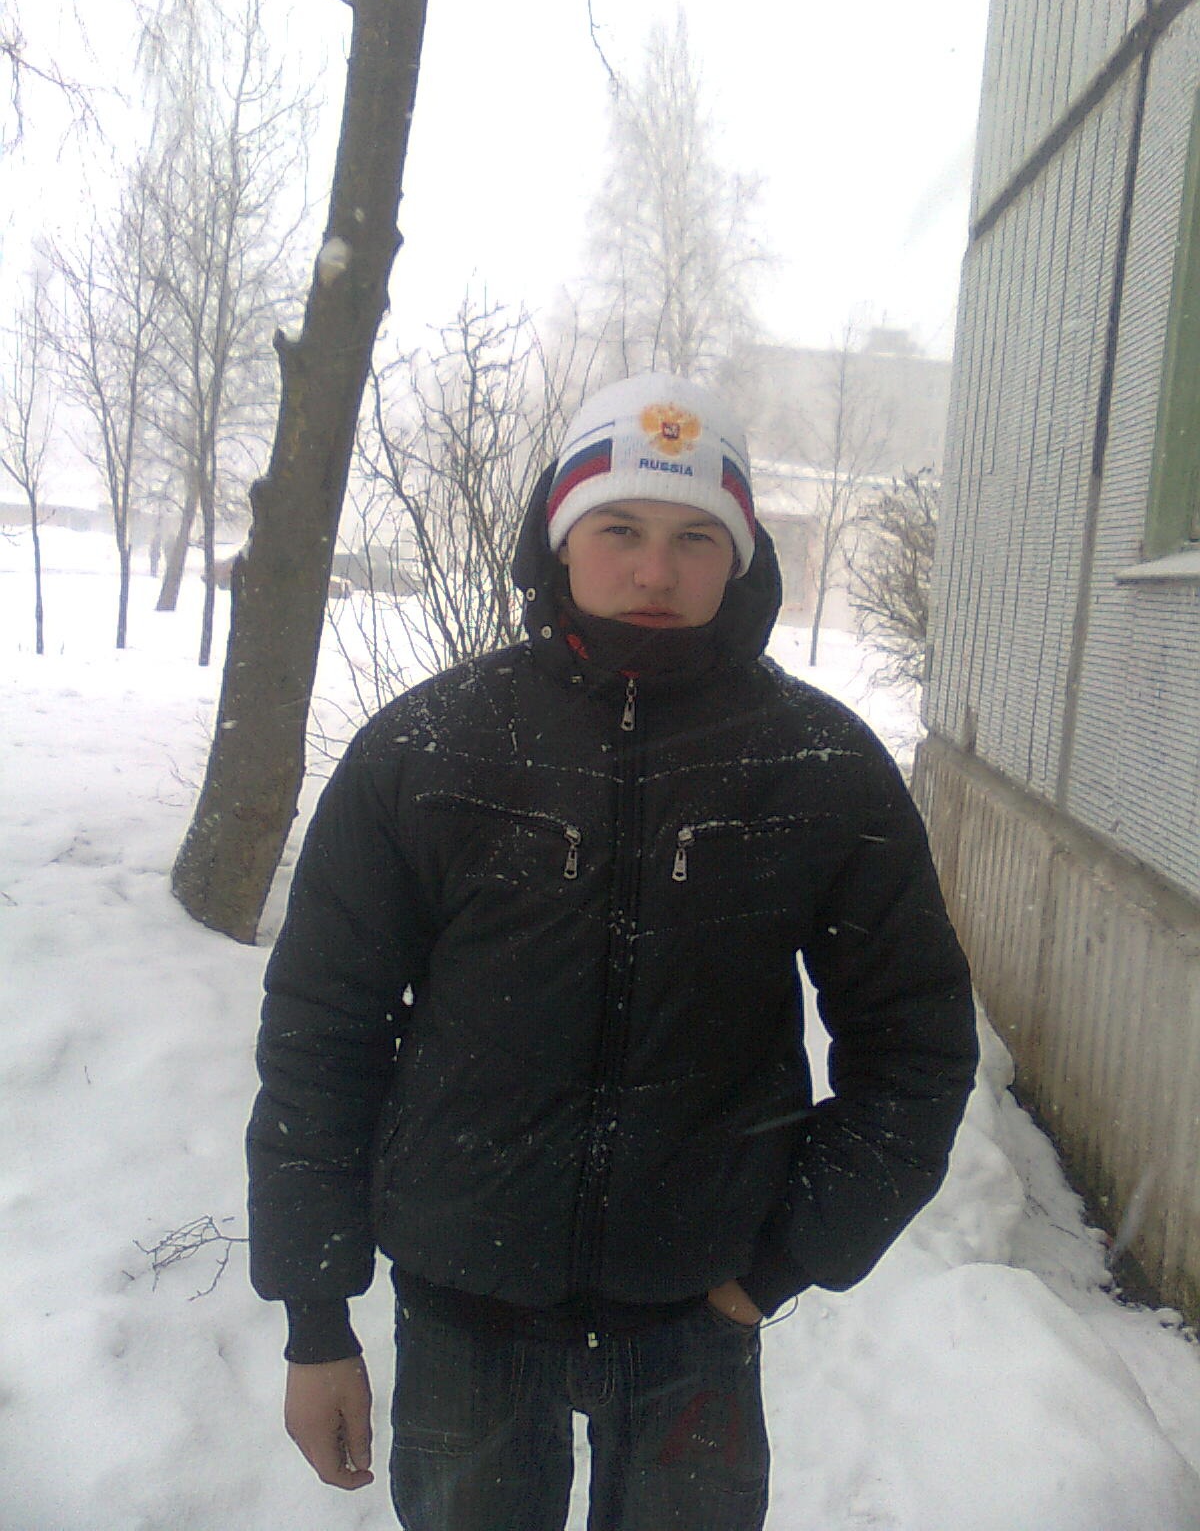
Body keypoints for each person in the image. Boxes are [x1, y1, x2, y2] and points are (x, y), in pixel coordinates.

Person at [247, 371, 978, 1530]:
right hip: (466, 1317)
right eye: (621, 529)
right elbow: (321, 1036)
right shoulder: (430, 751)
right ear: (559, 535)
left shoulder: (819, 770)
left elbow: (918, 1048)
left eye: (696, 538)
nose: (654, 571)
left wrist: (781, 1262)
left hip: (697, 1324)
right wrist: (315, 1319)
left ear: (740, 556)